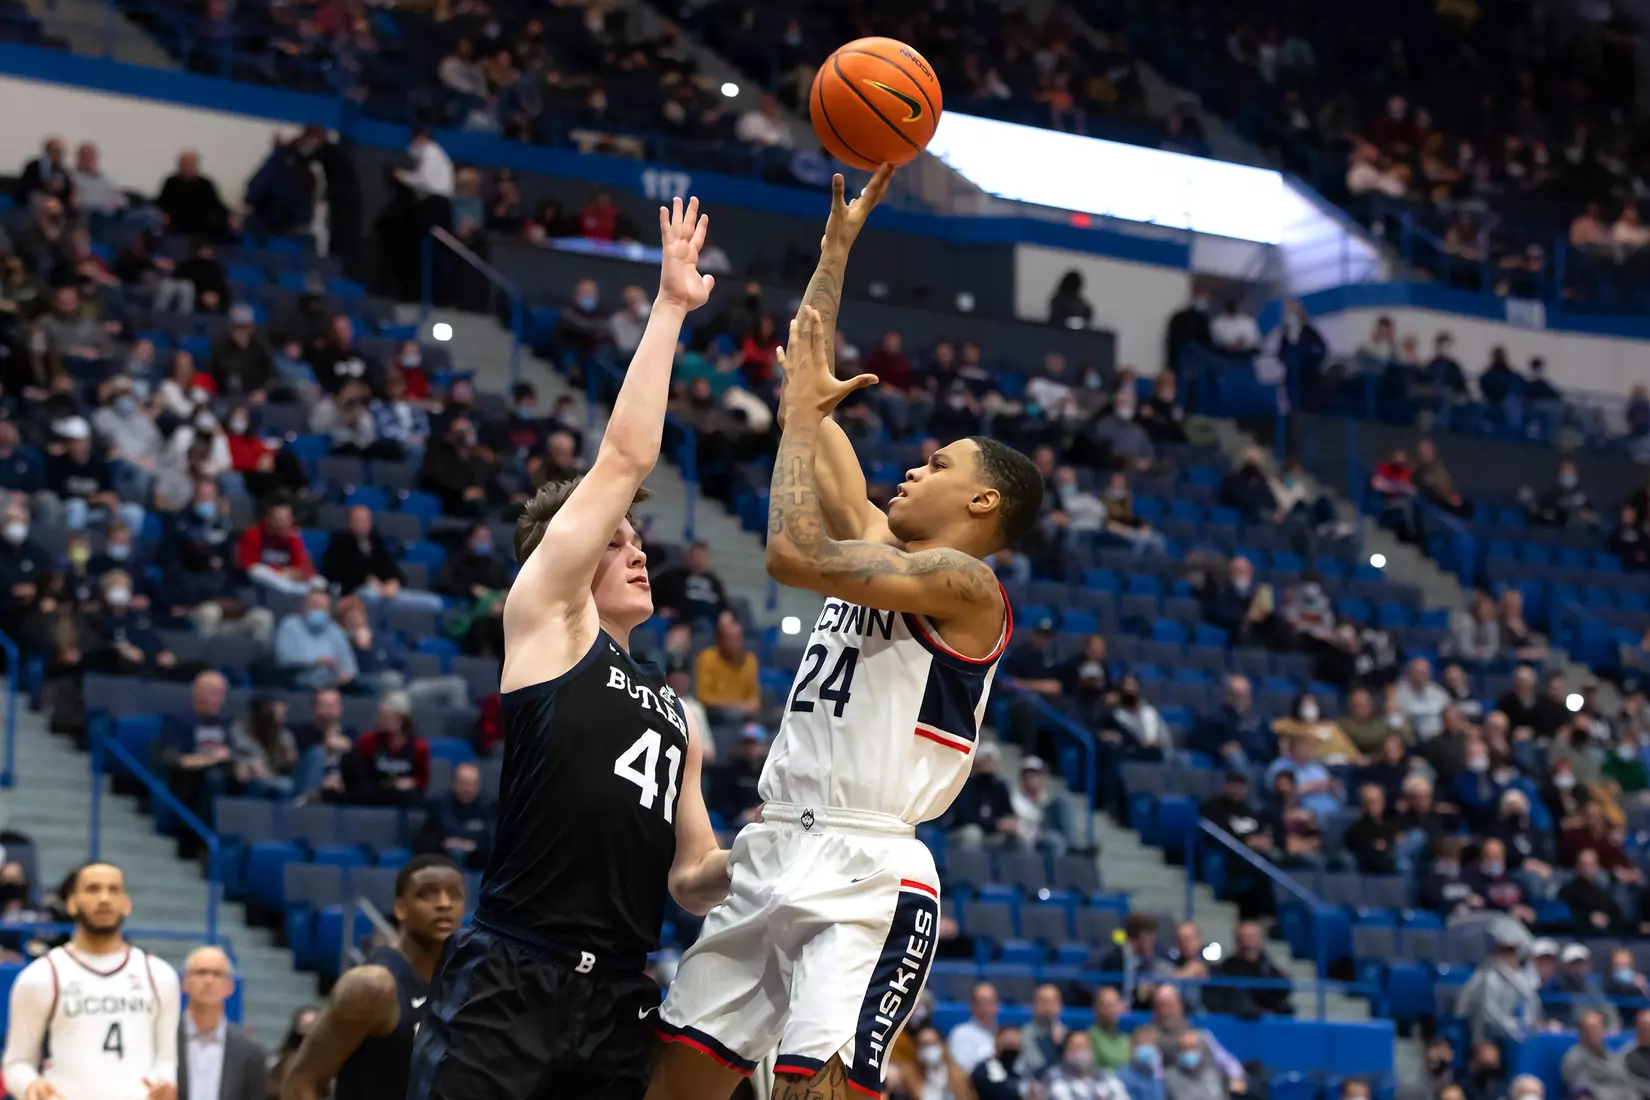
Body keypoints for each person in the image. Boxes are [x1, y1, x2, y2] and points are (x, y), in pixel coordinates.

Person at [652, 167, 1041, 1100]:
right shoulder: (880, 544)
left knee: (810, 1094)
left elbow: (789, 549)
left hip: (869, 869)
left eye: (938, 463)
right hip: (773, 843)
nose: (913, 467)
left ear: (981, 499)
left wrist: (796, 422)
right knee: (667, 1090)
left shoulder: (964, 583)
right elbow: (807, 366)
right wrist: (834, 254)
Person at [407, 198, 727, 1100]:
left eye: (639, 543)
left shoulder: (679, 709)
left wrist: (754, 861)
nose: (636, 551)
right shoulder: (550, 620)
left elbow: (693, 882)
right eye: (616, 542)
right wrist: (668, 309)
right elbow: (624, 459)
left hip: (622, 993)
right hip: (514, 970)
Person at [281, 857, 465, 1100]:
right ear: (400, 908)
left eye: (454, 895)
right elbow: (299, 1084)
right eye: (427, 894)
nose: (444, 904)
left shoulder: (465, 984)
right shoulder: (373, 985)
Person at [2, 863, 183, 1100]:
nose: (104, 898)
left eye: (113, 890)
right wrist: (31, 1086)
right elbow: (16, 1064)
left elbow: (167, 1060)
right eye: (93, 889)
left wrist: (164, 1085)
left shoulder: (160, 975)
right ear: (71, 903)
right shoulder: (40, 976)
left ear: (126, 904)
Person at [178, 945, 266, 1100]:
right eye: (201, 972)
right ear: (185, 982)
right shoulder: (162, 1040)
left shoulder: (250, 1053)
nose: (208, 980)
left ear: (230, 986)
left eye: (218, 974)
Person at [415, 761, 496, 869]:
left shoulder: (487, 805)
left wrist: (472, 845)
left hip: (477, 861)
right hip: (440, 861)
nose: (467, 789)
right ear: (454, 783)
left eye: (472, 784)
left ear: (478, 786)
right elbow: (448, 830)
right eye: (463, 783)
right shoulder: (440, 803)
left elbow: (490, 835)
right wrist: (473, 841)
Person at [1563, 1009, 1642, 1100]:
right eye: (1591, 1030)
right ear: (1581, 1033)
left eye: (1598, 1029)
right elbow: (1582, 1089)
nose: (1596, 1034)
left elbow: (1625, 1078)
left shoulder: (1612, 1055)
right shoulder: (1574, 1058)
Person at [1044, 1032, 1128, 1100]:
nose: (1080, 1052)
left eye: (1084, 1047)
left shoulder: (1106, 1075)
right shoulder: (1054, 1076)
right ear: (1065, 1052)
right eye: (1075, 1047)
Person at [946, 983, 1001, 1074]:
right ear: (973, 1006)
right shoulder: (961, 1033)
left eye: (991, 1003)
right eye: (982, 1003)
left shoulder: (1003, 1033)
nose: (987, 1008)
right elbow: (961, 1070)